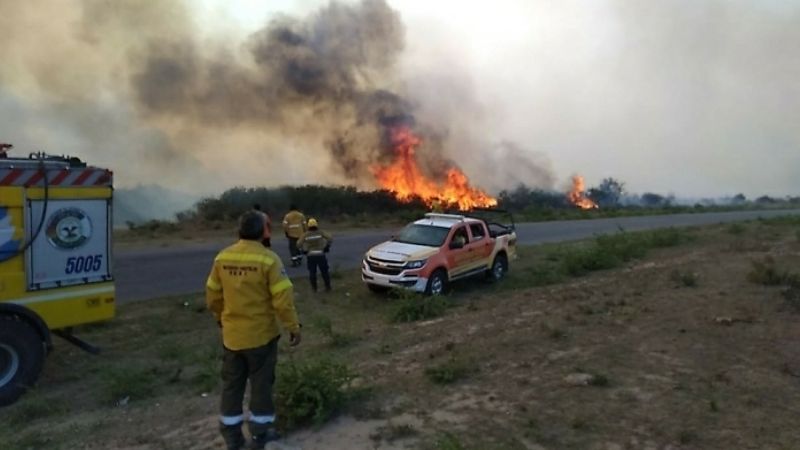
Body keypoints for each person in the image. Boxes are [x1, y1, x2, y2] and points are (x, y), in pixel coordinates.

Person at [206, 211, 302, 450]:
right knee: (261, 386)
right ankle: (261, 434)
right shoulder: (268, 260)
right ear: (264, 231)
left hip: (232, 337)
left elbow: (213, 296)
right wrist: (293, 326)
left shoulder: (222, 258)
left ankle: (232, 437)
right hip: (261, 337)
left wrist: (220, 318)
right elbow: (282, 300)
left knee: (232, 386)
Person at [297, 218, 333, 292]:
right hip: (321, 254)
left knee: (312, 272)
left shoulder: (305, 235)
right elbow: (330, 238)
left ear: (308, 226)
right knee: (324, 271)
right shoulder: (320, 232)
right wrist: (327, 246)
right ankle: (328, 287)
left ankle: (314, 289)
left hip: (310, 255)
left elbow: (298, 244)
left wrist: (303, 250)